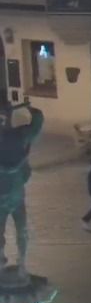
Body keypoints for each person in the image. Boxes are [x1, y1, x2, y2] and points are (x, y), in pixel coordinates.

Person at [0, 102, 42, 269]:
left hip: (6, 195)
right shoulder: (20, 135)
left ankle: (5, 263)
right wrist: (33, 109)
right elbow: (37, 123)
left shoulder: (19, 135)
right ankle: (21, 262)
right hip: (17, 195)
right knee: (22, 230)